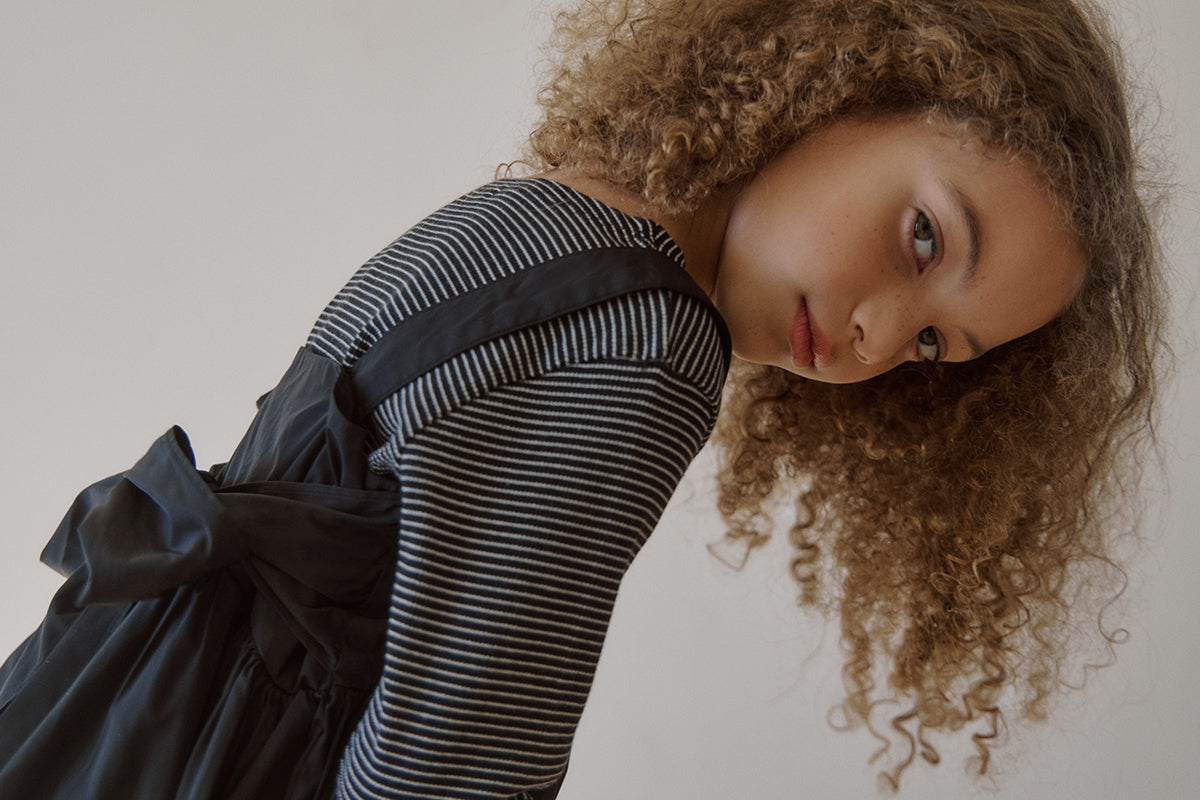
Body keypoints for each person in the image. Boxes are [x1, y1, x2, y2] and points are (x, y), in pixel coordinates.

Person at [0, 0, 1164, 798]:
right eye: (924, 238)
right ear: (862, 81)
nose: (879, 336)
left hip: (110, 693)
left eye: (931, 346)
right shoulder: (651, 344)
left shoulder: (553, 215)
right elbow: (448, 766)